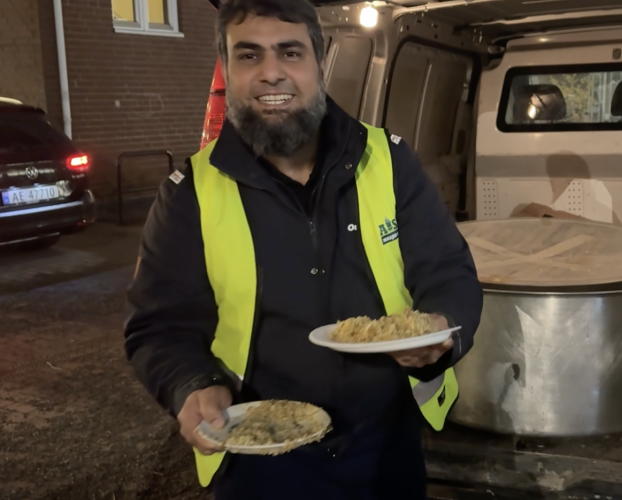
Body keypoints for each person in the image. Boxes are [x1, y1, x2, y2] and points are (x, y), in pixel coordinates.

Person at [122, 0, 483, 498]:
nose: (271, 73)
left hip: (386, 450)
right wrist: (191, 384)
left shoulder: (391, 162)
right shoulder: (189, 193)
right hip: (260, 462)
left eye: (290, 53)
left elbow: (449, 271)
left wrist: (442, 325)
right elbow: (159, 326)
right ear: (228, 69)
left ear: (318, 62)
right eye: (248, 56)